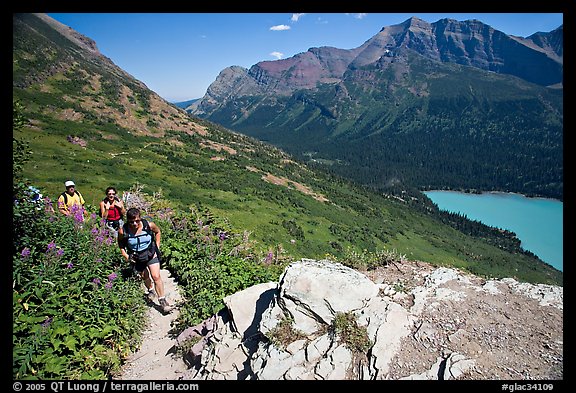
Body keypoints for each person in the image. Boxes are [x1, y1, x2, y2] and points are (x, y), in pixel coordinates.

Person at [118, 207, 173, 314]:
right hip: (136, 256)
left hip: (150, 252)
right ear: (127, 220)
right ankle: (151, 290)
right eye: (131, 221)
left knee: (156, 276)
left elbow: (157, 232)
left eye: (137, 220)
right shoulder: (123, 231)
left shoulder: (149, 225)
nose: (134, 223)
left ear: (140, 218)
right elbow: (120, 242)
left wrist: (157, 245)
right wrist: (124, 254)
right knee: (145, 276)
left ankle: (162, 301)